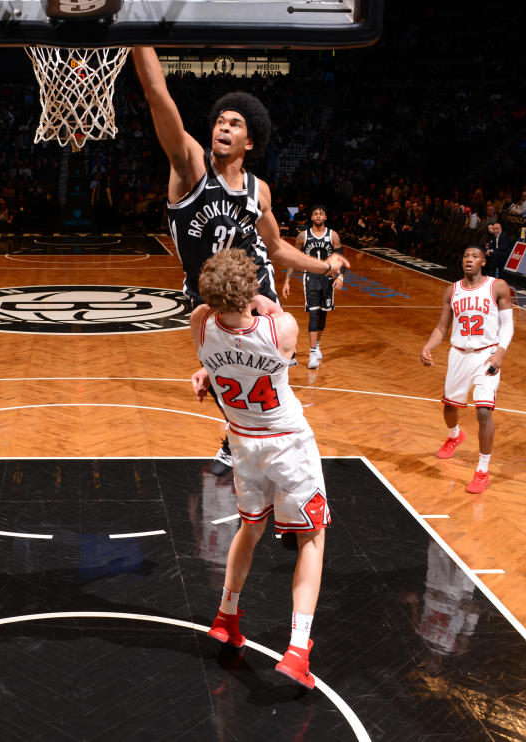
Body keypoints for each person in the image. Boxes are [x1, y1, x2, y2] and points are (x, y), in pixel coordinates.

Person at [132, 46, 348, 475]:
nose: (223, 128)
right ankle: (237, 429)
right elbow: (159, 95)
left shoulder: (259, 190)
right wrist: (139, 37)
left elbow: (277, 249)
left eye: (234, 123)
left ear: (249, 141)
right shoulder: (190, 165)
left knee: (266, 371)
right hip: (206, 294)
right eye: (219, 121)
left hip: (257, 289)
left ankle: (268, 445)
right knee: (221, 373)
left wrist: (327, 266)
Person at [190, 248, 329, 688]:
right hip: (286, 443)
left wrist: (209, 371)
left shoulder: (199, 322)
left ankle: (226, 615)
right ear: (251, 289)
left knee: (250, 529)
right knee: (311, 537)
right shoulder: (282, 328)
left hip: (242, 444)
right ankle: (298, 648)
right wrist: (259, 301)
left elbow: (225, 348)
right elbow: (269, 320)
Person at [420, 246, 514, 494]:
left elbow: (508, 326)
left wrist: (500, 352)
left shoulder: (498, 287)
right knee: (450, 407)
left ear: (483, 261)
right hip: (459, 354)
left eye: (474, 256)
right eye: (465, 256)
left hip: (487, 355)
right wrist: (428, 347)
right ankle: (454, 436)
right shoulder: (452, 291)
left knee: (484, 412)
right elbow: (441, 328)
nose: (469, 260)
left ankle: (482, 471)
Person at [281, 205, 345, 369]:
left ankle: (317, 345)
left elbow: (340, 258)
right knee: (314, 313)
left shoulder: (333, 235)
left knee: (323, 314)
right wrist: (288, 280)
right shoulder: (302, 236)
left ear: (325, 218)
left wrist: (340, 276)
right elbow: (293, 259)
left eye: (321, 213)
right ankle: (311, 353)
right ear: (311, 218)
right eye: (315, 213)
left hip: (328, 278)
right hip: (310, 277)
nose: (318, 215)